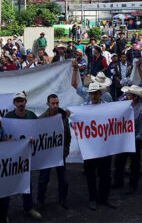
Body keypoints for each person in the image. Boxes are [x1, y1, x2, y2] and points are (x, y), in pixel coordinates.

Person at [74, 82, 117, 210]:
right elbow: (75, 125)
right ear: (89, 95)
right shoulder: (83, 108)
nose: (93, 96)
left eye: (95, 93)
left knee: (105, 174)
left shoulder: (106, 107)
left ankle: (104, 198)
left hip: (104, 146)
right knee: (91, 174)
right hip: (90, 148)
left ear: (100, 94)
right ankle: (92, 199)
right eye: (91, 93)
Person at [3, 92, 42, 220]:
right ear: (14, 103)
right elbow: (3, 137)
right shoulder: (8, 117)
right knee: (8, 185)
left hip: (26, 156)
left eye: (22, 101)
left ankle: (29, 207)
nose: (20, 104)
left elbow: (38, 130)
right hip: (12, 156)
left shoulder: (31, 115)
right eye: (18, 101)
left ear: (26, 102)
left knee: (27, 182)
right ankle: (3, 213)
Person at [37, 94, 71, 210]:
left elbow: (68, 136)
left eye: (57, 103)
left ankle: (63, 198)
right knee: (43, 179)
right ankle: (40, 200)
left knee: (63, 179)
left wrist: (65, 151)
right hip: (47, 155)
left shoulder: (63, 117)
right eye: (53, 103)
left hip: (60, 154)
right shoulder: (41, 119)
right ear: (48, 104)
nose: (55, 105)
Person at [113, 85, 142, 194]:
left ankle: (133, 185)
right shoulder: (125, 106)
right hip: (124, 138)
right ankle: (118, 181)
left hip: (135, 139)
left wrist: (138, 139)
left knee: (134, 163)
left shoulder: (140, 110)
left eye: (129, 95)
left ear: (135, 97)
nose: (126, 96)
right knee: (119, 160)